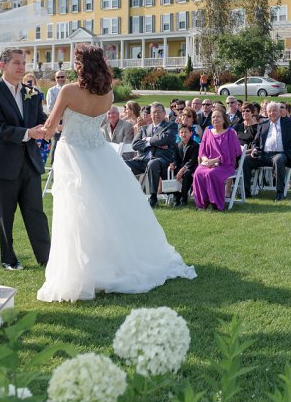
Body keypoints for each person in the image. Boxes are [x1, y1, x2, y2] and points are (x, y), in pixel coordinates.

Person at [36, 44, 195, 302]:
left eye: (76, 62)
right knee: (107, 208)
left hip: (73, 153)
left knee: (76, 210)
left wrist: (37, 128)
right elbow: (94, 122)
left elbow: (51, 127)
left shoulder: (67, 90)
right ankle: (111, 260)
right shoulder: (107, 93)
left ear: (82, 65)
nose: (73, 66)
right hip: (100, 153)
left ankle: (85, 268)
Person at [0, 48, 51, 271]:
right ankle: (9, 259)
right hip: (3, 164)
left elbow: (41, 120)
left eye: (24, 63)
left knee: (36, 213)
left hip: (30, 162)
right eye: (16, 63)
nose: (21, 67)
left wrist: (54, 125)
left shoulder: (33, 93)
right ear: (2, 66)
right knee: (5, 216)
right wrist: (29, 133)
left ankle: (47, 259)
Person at [241, 101, 291, 200]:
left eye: (274, 111)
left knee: (278, 160)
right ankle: (246, 192)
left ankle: (280, 192)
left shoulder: (289, 122)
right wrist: (254, 149)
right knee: (246, 160)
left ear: (279, 112)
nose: (271, 113)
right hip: (263, 155)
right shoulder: (263, 125)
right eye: (269, 111)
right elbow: (256, 142)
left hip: (281, 154)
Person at [127, 102, 178, 206]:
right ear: (150, 114)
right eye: (154, 112)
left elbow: (165, 138)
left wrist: (148, 140)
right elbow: (135, 145)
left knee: (152, 164)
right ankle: (127, 195)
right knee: (123, 164)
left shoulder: (170, 126)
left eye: (159, 112)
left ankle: (153, 197)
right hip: (142, 160)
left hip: (161, 159)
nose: (156, 114)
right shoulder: (145, 128)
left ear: (164, 113)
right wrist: (153, 143)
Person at [193, 108, 242, 210]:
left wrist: (215, 160)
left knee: (211, 174)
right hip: (208, 163)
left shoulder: (230, 133)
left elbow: (236, 152)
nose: (215, 119)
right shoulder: (208, 132)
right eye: (213, 117)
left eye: (218, 116)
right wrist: (205, 160)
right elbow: (202, 150)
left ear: (224, 119)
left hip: (225, 164)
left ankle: (215, 202)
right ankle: (203, 203)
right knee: (198, 172)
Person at [169, 124, 199, 207]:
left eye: (186, 132)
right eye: (181, 132)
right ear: (179, 134)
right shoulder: (177, 145)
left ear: (190, 133)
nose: (183, 134)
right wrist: (173, 164)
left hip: (191, 167)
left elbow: (193, 160)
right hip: (180, 166)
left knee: (186, 174)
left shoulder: (195, 145)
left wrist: (183, 169)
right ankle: (176, 197)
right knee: (171, 172)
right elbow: (176, 159)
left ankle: (184, 197)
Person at [44, 70, 67, 162]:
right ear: (55, 78)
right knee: (57, 142)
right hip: (58, 120)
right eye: (58, 77)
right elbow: (50, 108)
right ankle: (53, 166)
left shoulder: (71, 89)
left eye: (62, 77)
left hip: (70, 120)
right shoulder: (51, 91)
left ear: (66, 77)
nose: (60, 79)